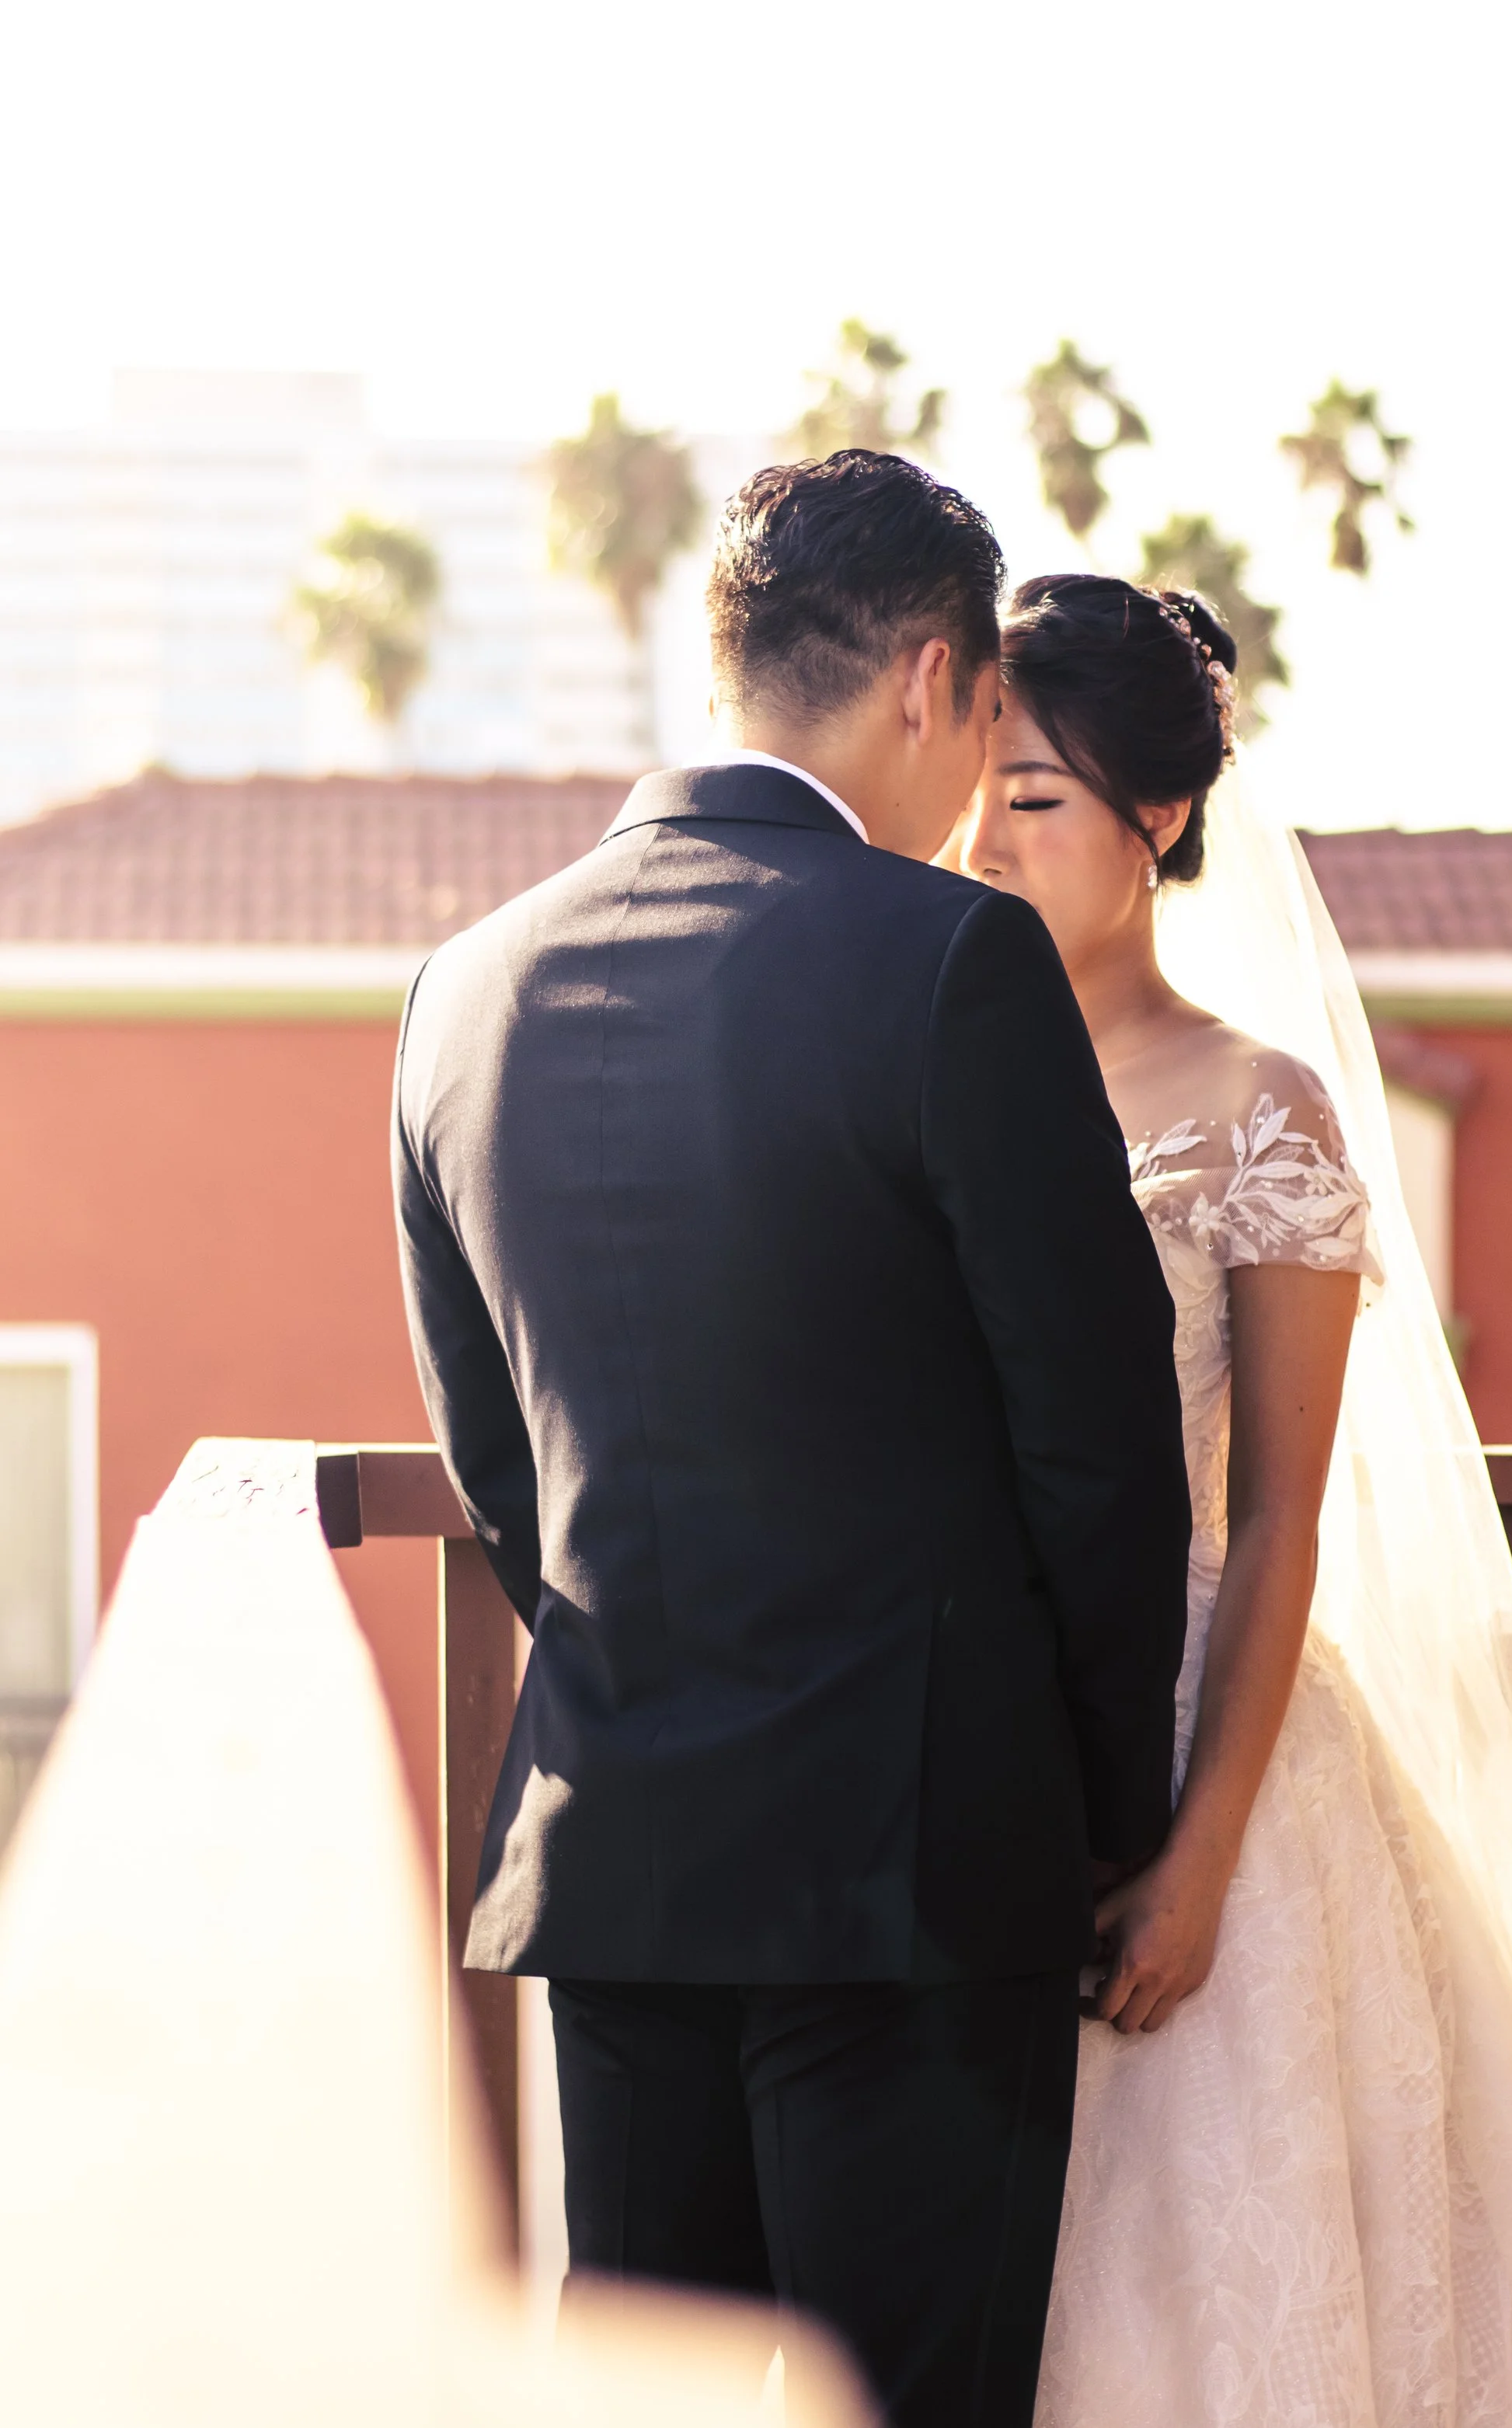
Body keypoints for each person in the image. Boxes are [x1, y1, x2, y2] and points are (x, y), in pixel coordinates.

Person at [954, 573, 1512, 2426]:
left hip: (1207, 1760)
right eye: (971, 784)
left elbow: (1275, 1514)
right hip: (956, 1756)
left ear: (1157, 816)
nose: (980, 836)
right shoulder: (923, 1074)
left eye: (1028, 796)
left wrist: (1196, 1856)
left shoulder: (1252, 1104)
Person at [391, 461, 1191, 2428]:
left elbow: (496, 1459)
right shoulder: (948, 961)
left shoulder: (458, 992)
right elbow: (1093, 1440)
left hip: (623, 1852)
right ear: (936, 681)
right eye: (993, 711)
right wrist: (1102, 1805)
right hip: (918, 1875)